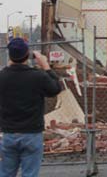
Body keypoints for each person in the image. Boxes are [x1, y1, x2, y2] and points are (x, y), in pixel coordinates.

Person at [0, 38, 62, 177]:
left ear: (9, 55)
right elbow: (55, 89)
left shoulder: (2, 76)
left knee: (6, 173)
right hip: (32, 133)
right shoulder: (37, 76)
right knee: (30, 173)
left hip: (9, 133)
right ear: (27, 54)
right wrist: (46, 67)